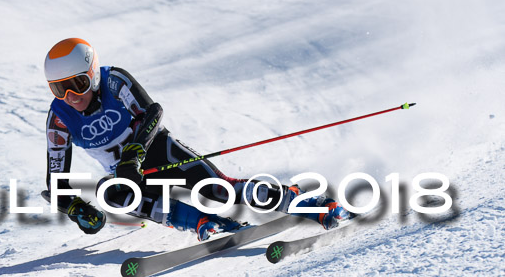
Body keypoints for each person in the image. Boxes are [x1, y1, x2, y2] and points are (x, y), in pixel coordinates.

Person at [44, 38, 349, 240]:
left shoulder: (113, 81)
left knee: (220, 190)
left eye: (78, 84)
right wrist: (76, 210)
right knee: (112, 194)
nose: (71, 97)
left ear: (93, 74)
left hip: (158, 152)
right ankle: (200, 221)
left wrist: (135, 153)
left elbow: (152, 112)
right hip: (128, 176)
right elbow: (55, 183)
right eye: (60, 89)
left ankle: (305, 202)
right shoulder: (59, 119)